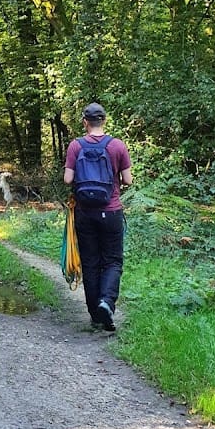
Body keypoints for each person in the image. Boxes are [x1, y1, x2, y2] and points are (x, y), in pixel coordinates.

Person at [63, 102, 132, 332]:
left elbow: (68, 179)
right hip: (111, 211)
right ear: (104, 120)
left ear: (85, 122)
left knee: (90, 263)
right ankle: (107, 303)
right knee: (112, 261)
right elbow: (128, 180)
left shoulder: (75, 146)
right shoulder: (117, 145)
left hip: (84, 213)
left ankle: (95, 315)